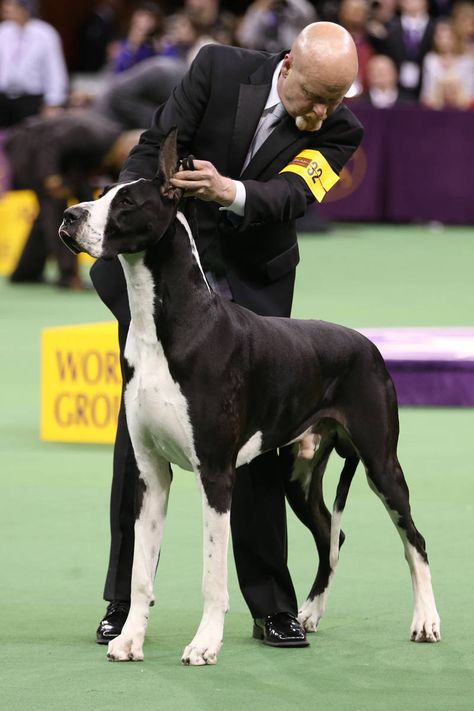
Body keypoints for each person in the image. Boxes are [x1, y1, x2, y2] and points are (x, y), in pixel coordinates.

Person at [91, 21, 363, 648]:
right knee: (141, 443)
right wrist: (133, 211)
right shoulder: (217, 68)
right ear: (289, 64)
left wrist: (228, 190)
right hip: (166, 280)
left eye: (336, 99)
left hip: (254, 292)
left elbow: (293, 196)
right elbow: (154, 143)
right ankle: (121, 603)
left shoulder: (343, 129)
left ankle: (271, 605)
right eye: (315, 95)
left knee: (260, 449)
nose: (322, 112)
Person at [7, 112, 140, 288]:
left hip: (65, 162)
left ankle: (25, 272)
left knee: (55, 213)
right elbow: (51, 142)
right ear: (125, 151)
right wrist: (51, 177)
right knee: (54, 206)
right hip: (31, 147)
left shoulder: (111, 145)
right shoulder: (96, 135)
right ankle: (68, 277)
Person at [0, 0, 69, 127]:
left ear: (24, 8)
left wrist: (53, 101)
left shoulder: (45, 33)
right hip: (4, 99)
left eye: (9, 4)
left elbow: (54, 69)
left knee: (27, 141)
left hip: (30, 100)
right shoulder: (4, 31)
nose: (5, 8)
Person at [420, 18, 474, 108]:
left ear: (456, 38)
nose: (444, 41)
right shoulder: (430, 60)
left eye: (448, 37)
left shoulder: (467, 61)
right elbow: (426, 92)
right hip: (435, 109)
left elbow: (470, 92)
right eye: (440, 37)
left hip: (462, 109)